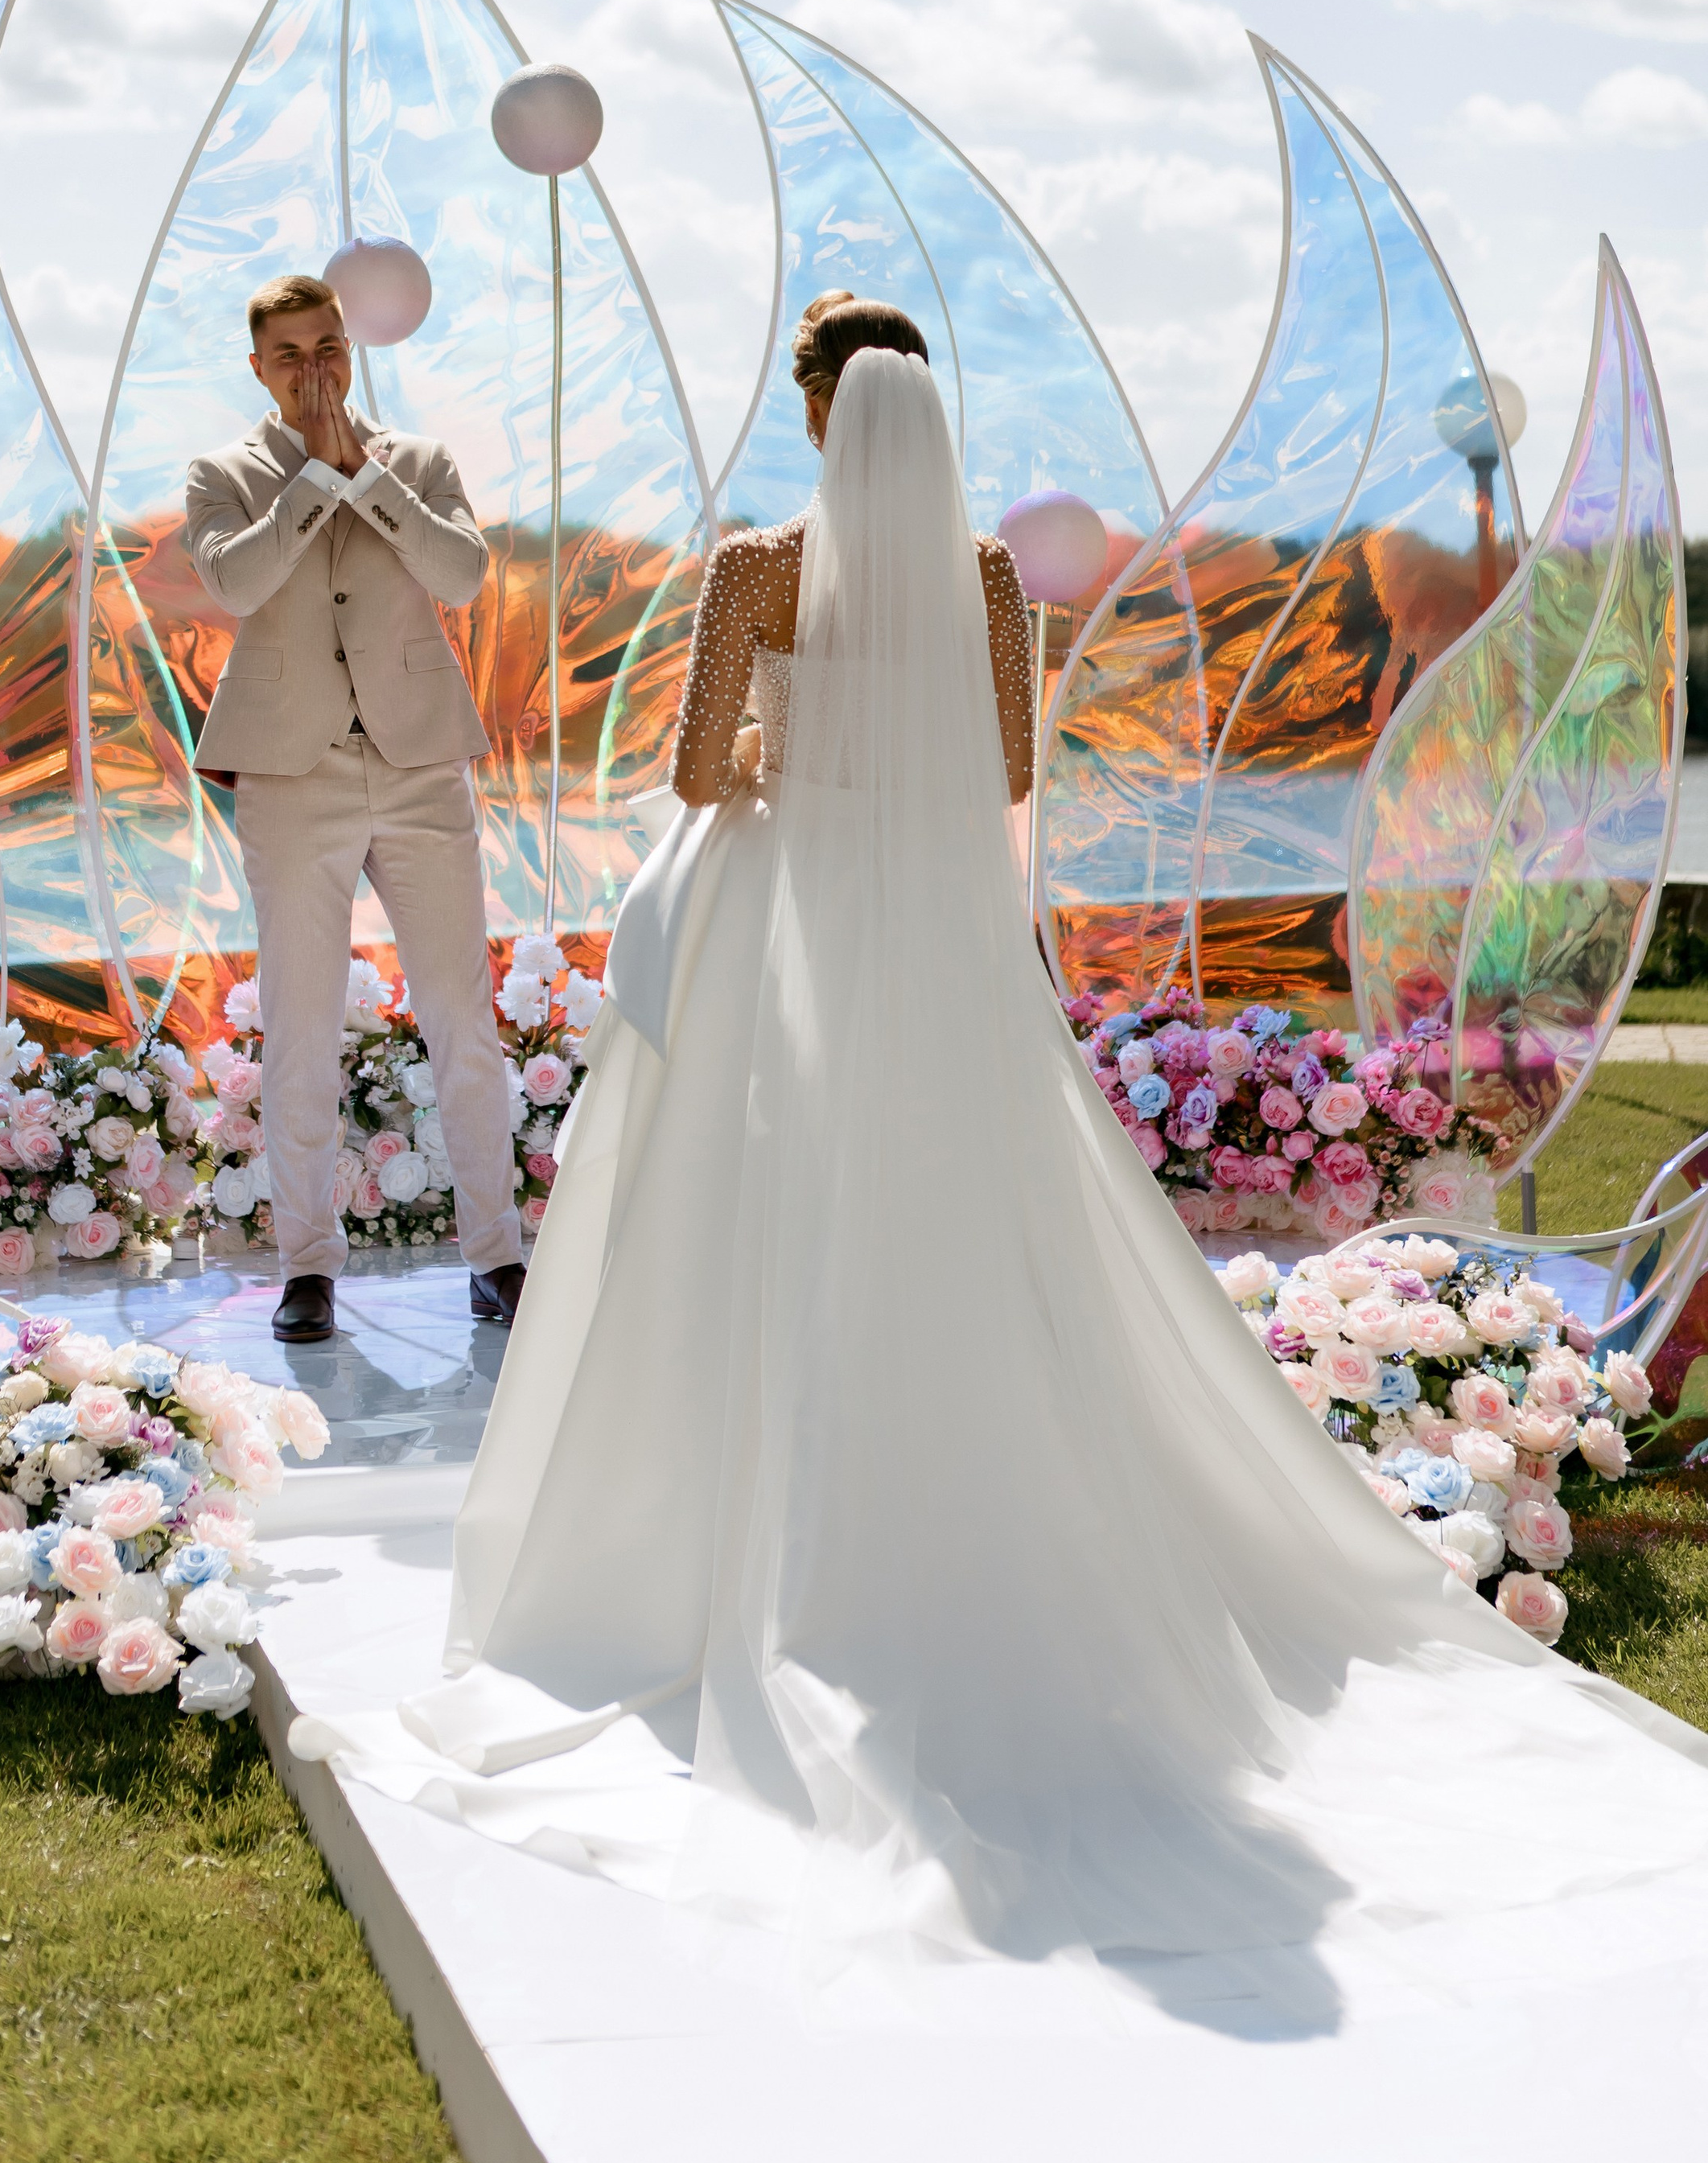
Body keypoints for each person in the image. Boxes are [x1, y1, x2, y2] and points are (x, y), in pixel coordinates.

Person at [307, 298, 1708, 1982]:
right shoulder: (980, 579)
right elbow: (1002, 765)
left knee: (740, 1219)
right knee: (966, 1222)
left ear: (820, 411)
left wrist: (789, 746)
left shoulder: (754, 566)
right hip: (932, 944)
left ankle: (716, 1548)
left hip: (786, 932)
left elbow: (697, 771)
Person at [185, 271, 525, 1345]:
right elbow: (234, 582)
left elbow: (462, 570)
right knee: (297, 1025)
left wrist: (364, 476)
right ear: (258, 367)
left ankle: (497, 1252)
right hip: (293, 776)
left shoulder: (416, 461)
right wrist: (311, 485)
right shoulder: (222, 473)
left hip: (420, 764)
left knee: (462, 1017)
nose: (314, 369)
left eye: (327, 346)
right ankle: (307, 1267)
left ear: (350, 347)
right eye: (289, 354)